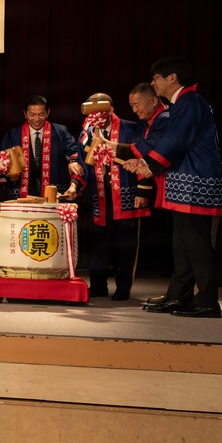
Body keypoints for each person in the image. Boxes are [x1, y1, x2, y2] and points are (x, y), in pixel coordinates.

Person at [130, 58, 222, 318]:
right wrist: (146, 162)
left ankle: (207, 300)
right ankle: (179, 295)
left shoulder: (190, 101)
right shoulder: (184, 103)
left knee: (196, 243)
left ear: (172, 77)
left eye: (156, 79)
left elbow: (177, 138)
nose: (153, 84)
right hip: (187, 180)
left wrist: (150, 166)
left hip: (196, 180)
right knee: (182, 243)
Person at [78, 92, 151, 300]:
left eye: (101, 113)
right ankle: (98, 285)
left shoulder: (131, 128)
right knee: (99, 245)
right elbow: (83, 161)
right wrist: (77, 183)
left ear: (111, 111)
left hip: (127, 195)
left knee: (126, 246)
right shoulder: (87, 132)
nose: (96, 117)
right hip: (100, 197)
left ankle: (123, 287)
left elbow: (144, 159)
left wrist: (143, 189)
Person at [114, 82, 172, 304]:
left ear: (153, 100)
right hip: (161, 184)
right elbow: (141, 153)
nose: (135, 110)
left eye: (137, 105)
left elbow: (148, 148)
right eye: (131, 106)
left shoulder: (165, 120)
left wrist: (111, 147)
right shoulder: (146, 122)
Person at [0, 94, 84, 202]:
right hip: (22, 196)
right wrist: (10, 174)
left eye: (41, 114)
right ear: (25, 114)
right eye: (32, 115)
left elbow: (74, 152)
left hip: (55, 194)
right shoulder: (12, 135)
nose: (36, 119)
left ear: (48, 112)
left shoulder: (61, 132)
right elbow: (2, 164)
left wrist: (72, 161)